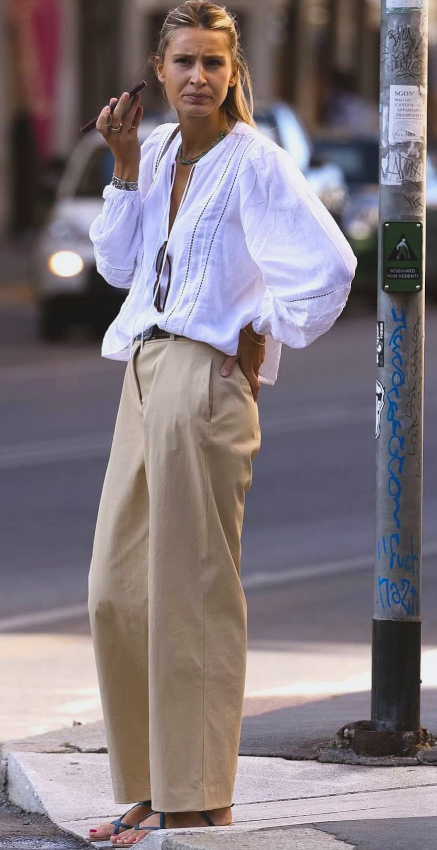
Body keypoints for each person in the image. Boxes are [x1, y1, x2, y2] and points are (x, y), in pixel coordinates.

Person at [86, 2, 357, 844]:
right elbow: (117, 267)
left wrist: (256, 331)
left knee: (191, 594)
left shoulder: (255, 163)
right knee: (116, 592)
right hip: (143, 370)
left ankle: (198, 795)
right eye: (183, 62)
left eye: (212, 62)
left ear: (232, 72)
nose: (197, 76)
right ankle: (149, 783)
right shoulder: (153, 151)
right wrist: (122, 167)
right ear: (158, 71)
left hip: (203, 378)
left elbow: (330, 267)